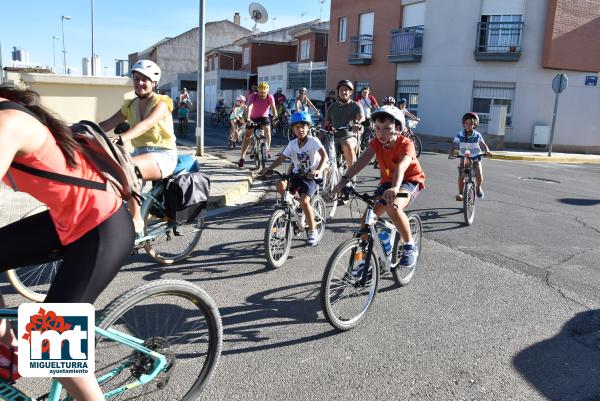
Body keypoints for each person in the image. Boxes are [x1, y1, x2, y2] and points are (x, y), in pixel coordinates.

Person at [0, 87, 134, 400]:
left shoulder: (8, 123)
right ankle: (10, 349)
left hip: (102, 226)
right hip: (66, 221)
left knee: (51, 345)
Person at [334, 105, 425, 268]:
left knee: (393, 208)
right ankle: (361, 260)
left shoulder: (406, 144)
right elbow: (361, 161)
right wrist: (343, 180)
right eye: (377, 128)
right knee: (366, 220)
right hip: (388, 183)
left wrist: (396, 188)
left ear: (398, 128)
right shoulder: (376, 142)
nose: (381, 133)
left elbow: (402, 166)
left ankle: (409, 245)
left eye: (387, 128)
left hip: (409, 180)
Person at [99, 59, 177, 238]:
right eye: (136, 78)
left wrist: (121, 138)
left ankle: (137, 221)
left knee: (129, 169)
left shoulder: (162, 102)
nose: (140, 83)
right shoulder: (130, 104)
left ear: (154, 82)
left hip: (162, 155)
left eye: (145, 79)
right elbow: (108, 123)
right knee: (110, 177)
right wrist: (83, 129)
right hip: (140, 154)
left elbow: (146, 125)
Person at [260, 111, 328, 246]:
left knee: (304, 201)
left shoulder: (313, 141)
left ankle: (312, 231)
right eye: (297, 127)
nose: (300, 130)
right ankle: (288, 209)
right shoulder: (292, 144)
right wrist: (269, 168)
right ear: (293, 129)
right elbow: (282, 158)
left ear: (308, 127)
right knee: (281, 185)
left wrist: (318, 170)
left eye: (303, 126)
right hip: (296, 174)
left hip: (311, 176)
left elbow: (324, 156)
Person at [448, 112, 491, 200]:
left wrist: (487, 151)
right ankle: (460, 193)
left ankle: (478, 188)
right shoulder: (460, 134)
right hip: (464, 157)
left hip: (476, 157)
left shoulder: (477, 135)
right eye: (466, 123)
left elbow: (483, 144)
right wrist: (451, 152)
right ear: (464, 124)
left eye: (471, 124)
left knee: (478, 174)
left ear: (474, 125)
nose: (468, 125)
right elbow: (454, 144)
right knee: (461, 175)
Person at [324, 79, 364, 174]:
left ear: (350, 92)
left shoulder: (355, 105)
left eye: (346, 90)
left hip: (349, 136)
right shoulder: (332, 107)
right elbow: (327, 123)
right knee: (323, 150)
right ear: (338, 91)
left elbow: (361, 117)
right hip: (334, 137)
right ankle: (327, 180)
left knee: (347, 144)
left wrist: (358, 123)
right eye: (341, 90)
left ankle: (351, 175)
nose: (343, 92)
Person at [238, 81, 277, 167]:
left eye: (264, 92)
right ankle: (242, 158)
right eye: (261, 92)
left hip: (264, 117)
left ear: (267, 91)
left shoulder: (270, 97)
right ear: (258, 91)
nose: (262, 94)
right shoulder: (253, 96)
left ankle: (267, 149)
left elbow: (273, 107)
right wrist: (248, 118)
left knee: (267, 131)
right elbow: (250, 106)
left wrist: (275, 116)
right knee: (247, 137)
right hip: (253, 117)